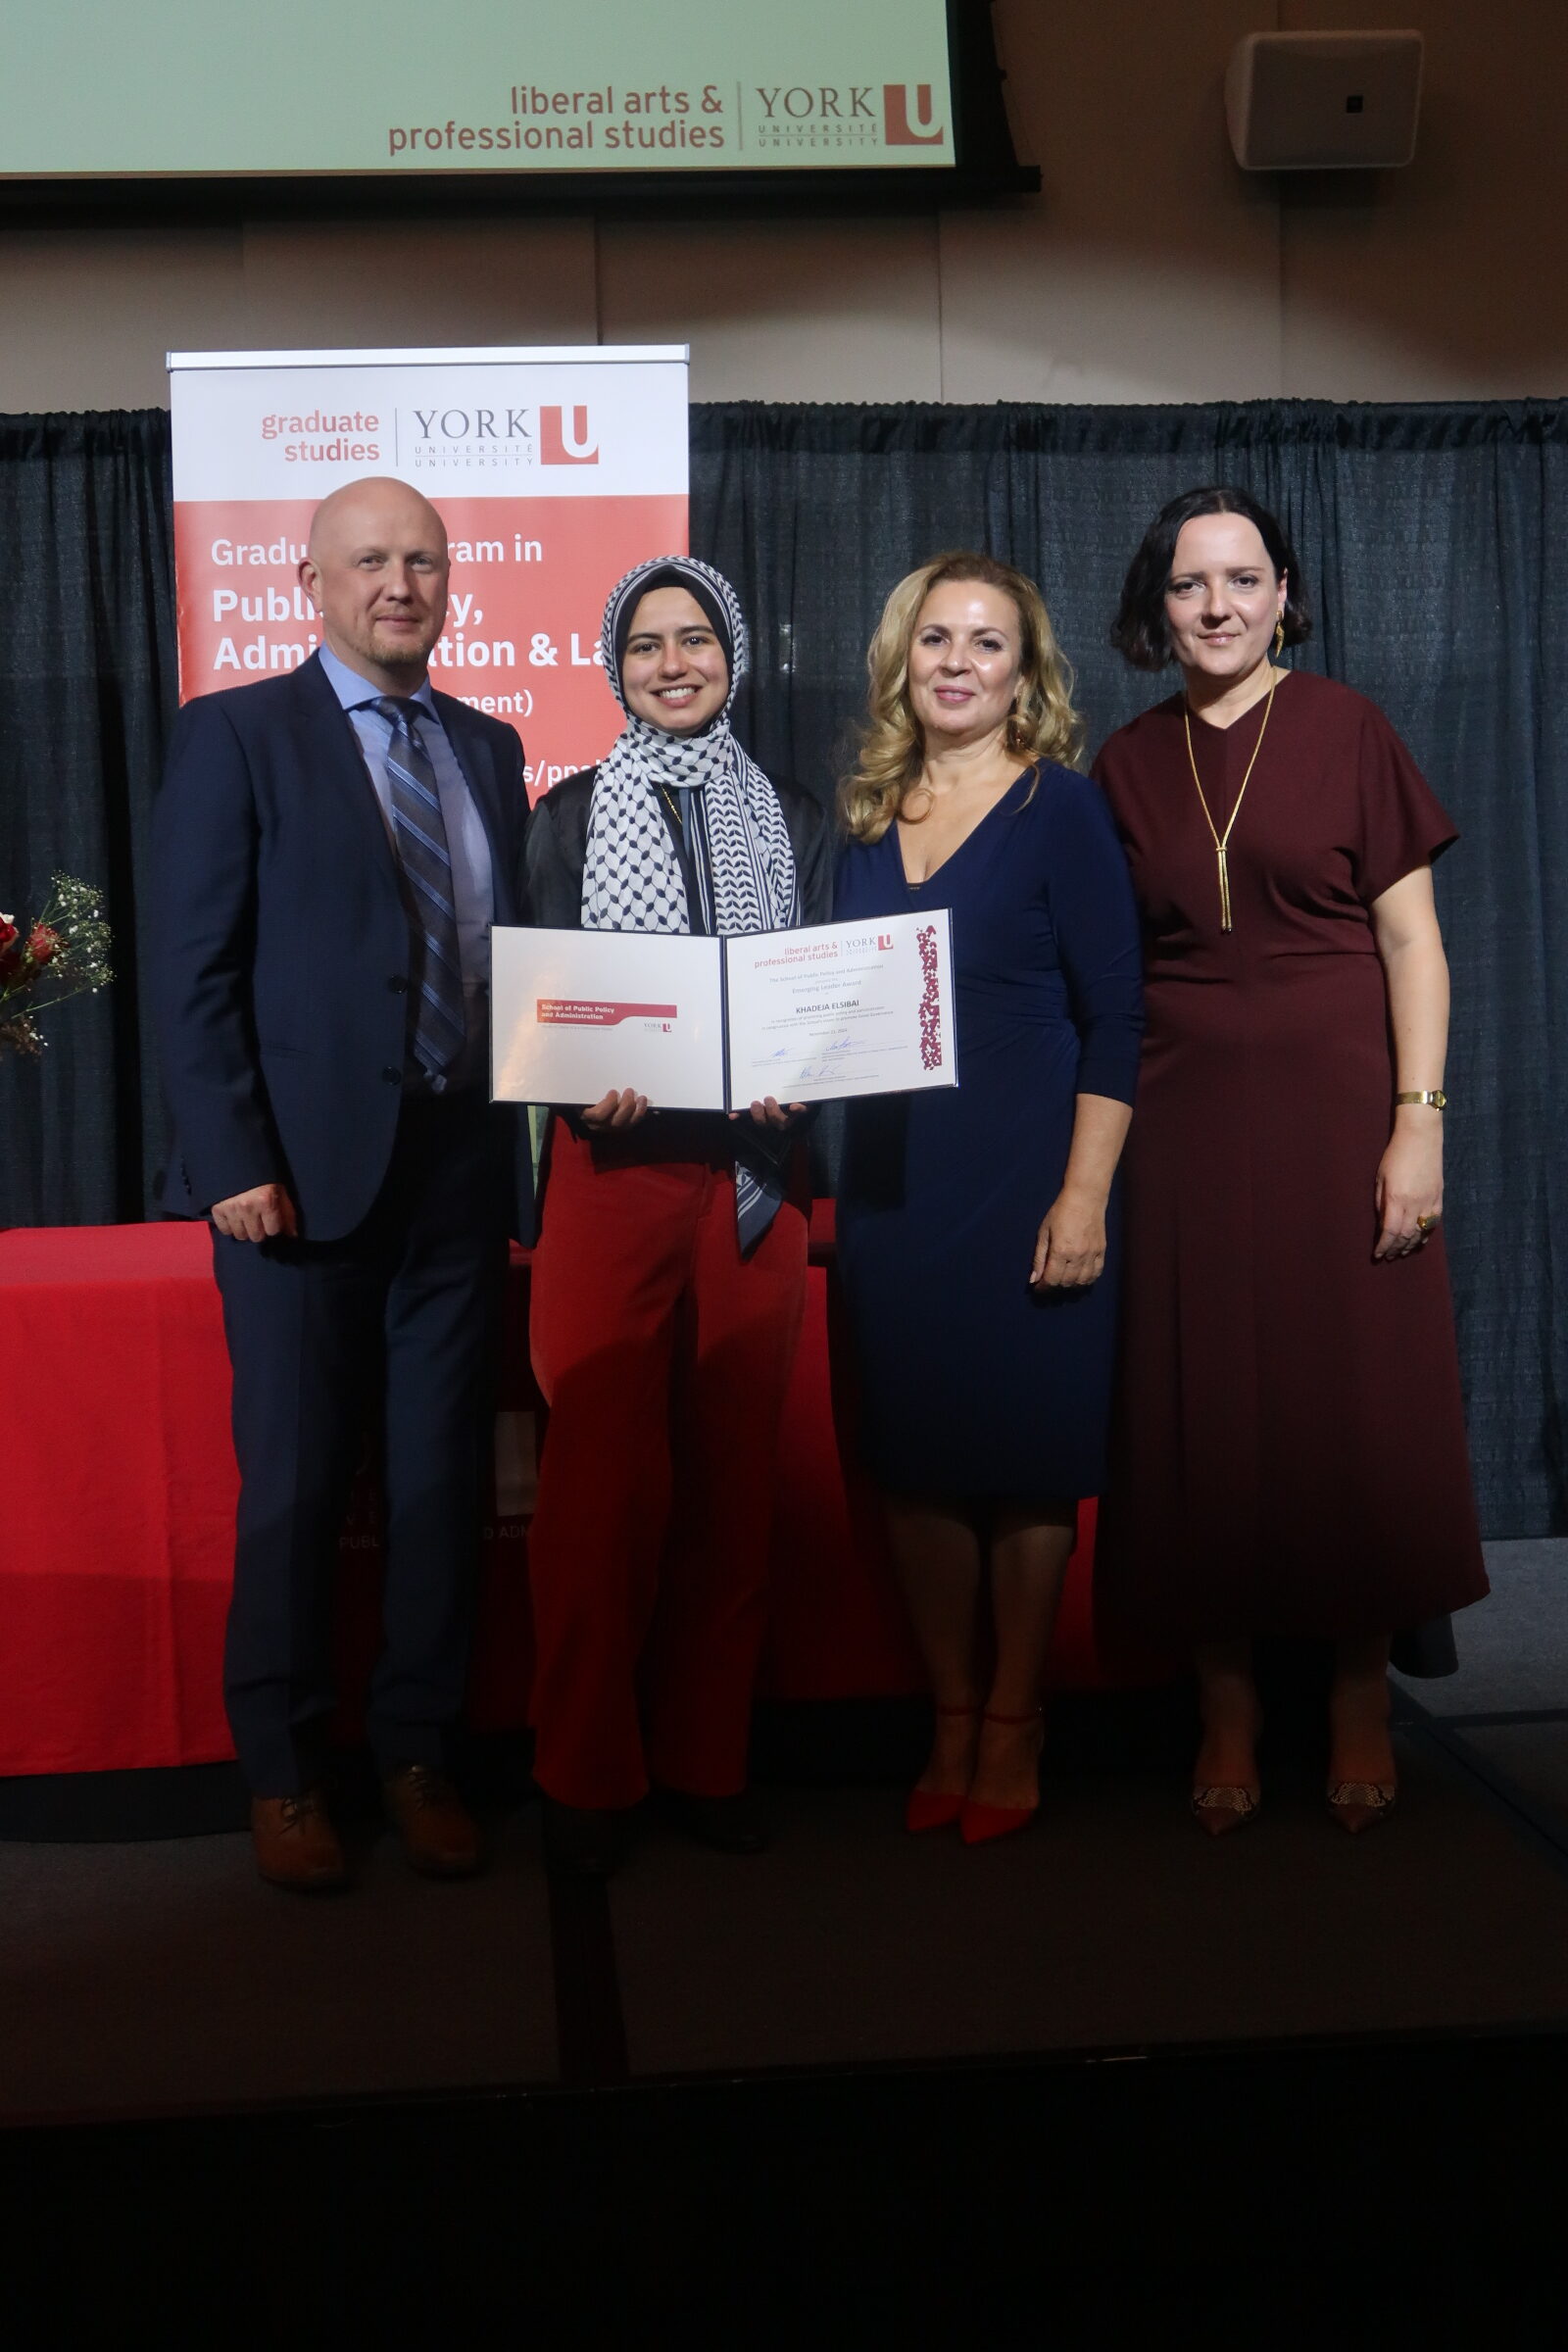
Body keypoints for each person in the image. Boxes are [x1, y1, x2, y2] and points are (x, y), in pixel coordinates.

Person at [152, 476, 533, 1891]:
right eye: (371, 560)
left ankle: (420, 1750)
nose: (402, 583)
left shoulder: (489, 749)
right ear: (311, 582)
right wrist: (233, 1162)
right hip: (295, 1194)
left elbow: (513, 974)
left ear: (451, 582)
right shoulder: (235, 737)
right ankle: (287, 1772)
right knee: (298, 1491)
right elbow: (192, 975)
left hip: (454, 1175)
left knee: (441, 1487)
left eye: (424, 560)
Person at [1093, 484, 1489, 1835]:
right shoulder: (1126, 760)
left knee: (1351, 1408)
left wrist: (1418, 1118)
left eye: (1243, 580)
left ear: (1284, 597)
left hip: (1340, 1117)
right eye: (1192, 584)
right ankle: (1225, 1703)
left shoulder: (1346, 730)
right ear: (1159, 606)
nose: (1218, 606)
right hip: (1181, 1127)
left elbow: (1412, 945)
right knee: (1201, 1409)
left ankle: (1362, 1694)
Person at [522, 555, 832, 1878]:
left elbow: (826, 993)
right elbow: (542, 992)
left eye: (695, 637)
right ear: (615, 666)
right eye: (645, 644)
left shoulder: (799, 815)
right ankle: (586, 1778)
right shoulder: (571, 812)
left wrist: (798, 1081)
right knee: (601, 1487)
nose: (672, 662)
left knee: (734, 1486)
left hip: (755, 1184)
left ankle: (707, 1761)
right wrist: (594, 1075)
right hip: (614, 1173)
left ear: (735, 650)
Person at [833, 552, 1143, 1842]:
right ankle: (949, 1714)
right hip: (895, 1198)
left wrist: (1085, 1199)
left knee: (1024, 1476)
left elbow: (1118, 1015)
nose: (959, 662)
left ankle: (1017, 1716)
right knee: (914, 1473)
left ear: (1027, 674)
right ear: (904, 659)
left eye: (989, 644)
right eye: (938, 639)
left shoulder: (1057, 811)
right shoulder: (858, 817)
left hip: (1029, 1182)